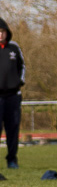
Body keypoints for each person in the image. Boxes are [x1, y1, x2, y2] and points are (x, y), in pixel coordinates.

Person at [0, 18, 25, 169]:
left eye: (2, 32)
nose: (0, 35)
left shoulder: (14, 48)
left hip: (13, 97)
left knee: (13, 128)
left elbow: (23, 67)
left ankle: (12, 159)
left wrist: (18, 83)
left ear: (7, 33)